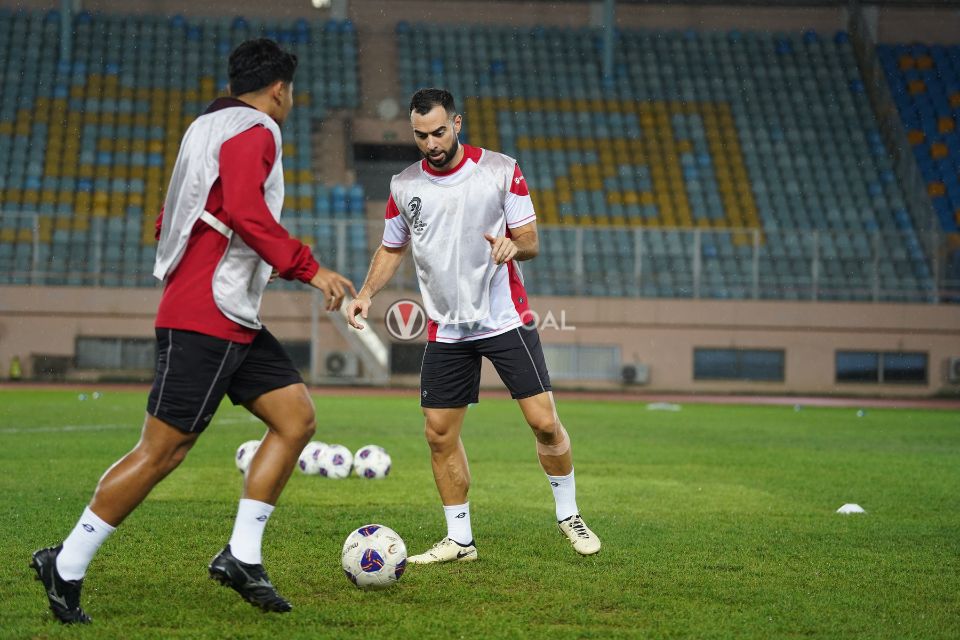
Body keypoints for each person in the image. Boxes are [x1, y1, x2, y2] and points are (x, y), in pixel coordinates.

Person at [30, 38, 355, 624]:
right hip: (208, 313)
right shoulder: (257, 129)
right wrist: (310, 268)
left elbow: (173, 214)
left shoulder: (203, 126)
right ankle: (67, 562)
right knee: (162, 451)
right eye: (291, 91)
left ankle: (241, 555)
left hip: (226, 311)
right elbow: (245, 212)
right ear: (279, 89)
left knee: (296, 418)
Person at [346, 88, 600, 564]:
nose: (431, 143)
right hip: (447, 327)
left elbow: (530, 240)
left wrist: (511, 246)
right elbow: (392, 248)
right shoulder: (405, 185)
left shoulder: (501, 170)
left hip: (505, 317)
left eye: (439, 132)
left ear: (457, 124)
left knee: (544, 424)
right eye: (421, 136)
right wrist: (364, 294)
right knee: (439, 434)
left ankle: (569, 514)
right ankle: (460, 540)